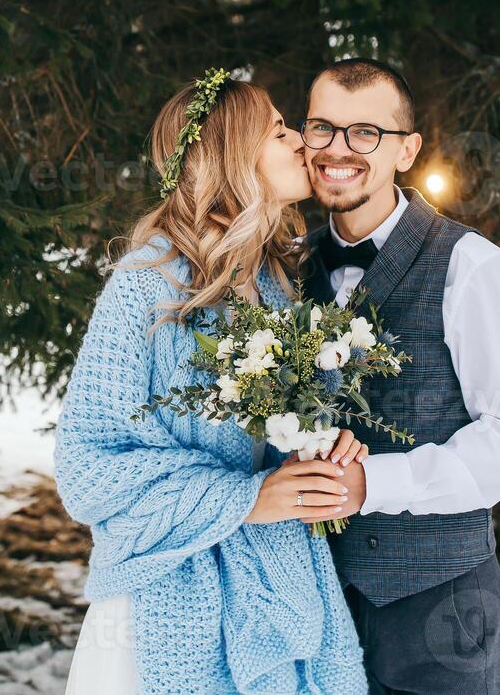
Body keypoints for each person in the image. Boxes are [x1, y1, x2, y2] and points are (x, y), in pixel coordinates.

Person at [54, 71, 372, 695]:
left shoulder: (277, 283)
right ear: (234, 155)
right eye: (280, 131)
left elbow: (270, 444)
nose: (302, 144)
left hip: (274, 579)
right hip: (166, 596)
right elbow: (84, 469)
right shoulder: (150, 284)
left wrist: (323, 449)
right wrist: (243, 498)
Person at [298, 57, 500, 694]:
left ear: (407, 150)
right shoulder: (281, 268)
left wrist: (370, 484)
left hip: (442, 618)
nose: (338, 150)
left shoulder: (471, 266)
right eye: (322, 128)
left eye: (365, 133)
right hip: (309, 609)